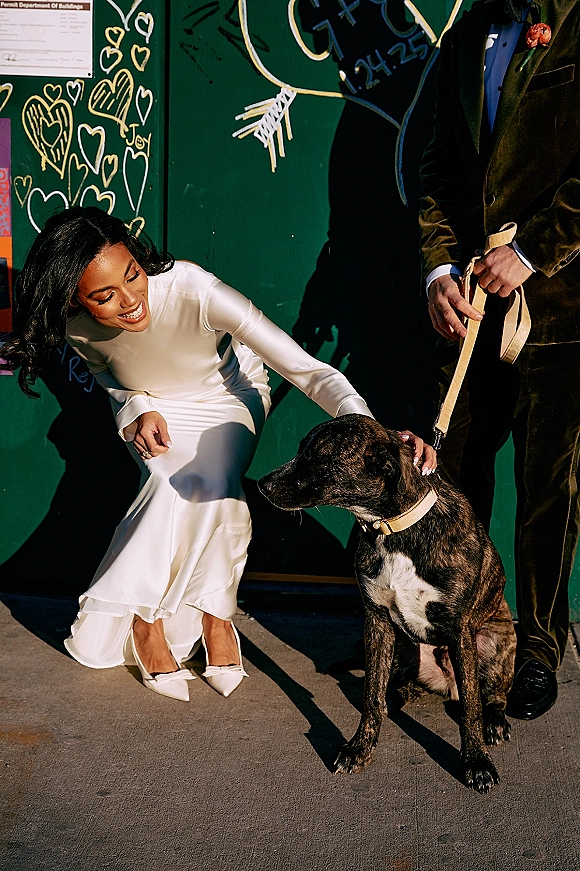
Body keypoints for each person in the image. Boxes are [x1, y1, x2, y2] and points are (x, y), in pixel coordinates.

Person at [3, 206, 435, 702]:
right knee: (172, 485)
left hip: (230, 396)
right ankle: (171, 620)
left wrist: (372, 433)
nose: (130, 301)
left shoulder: (193, 288)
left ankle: (202, 615)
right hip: (159, 411)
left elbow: (309, 371)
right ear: (74, 300)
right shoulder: (77, 329)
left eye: (132, 276)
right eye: (105, 296)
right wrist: (135, 409)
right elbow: (110, 378)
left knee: (205, 481)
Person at [419, 0, 580, 720]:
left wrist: (532, 251)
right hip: (476, 306)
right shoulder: (467, 34)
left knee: (551, 488)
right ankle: (462, 634)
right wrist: (438, 272)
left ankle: (540, 650)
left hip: (564, 308)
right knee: (458, 475)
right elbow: (440, 168)